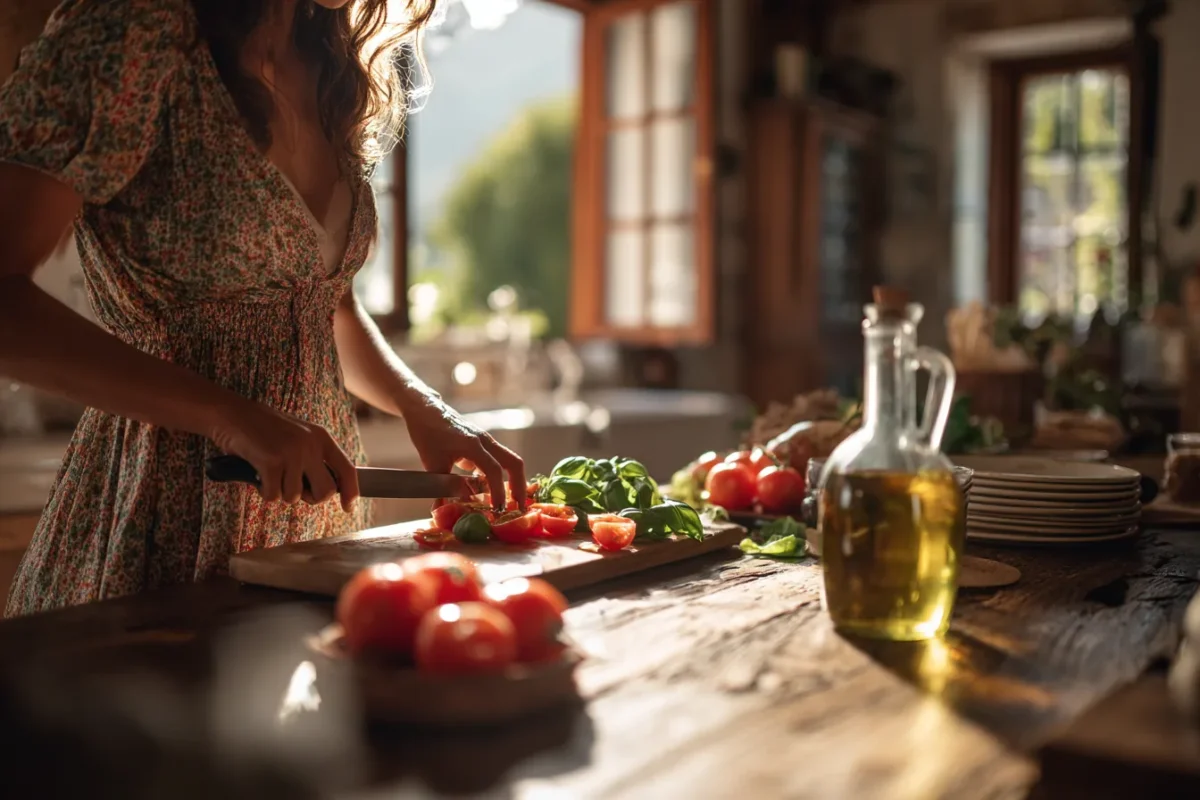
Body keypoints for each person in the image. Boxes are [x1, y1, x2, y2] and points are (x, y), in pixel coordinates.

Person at [0, 0, 525, 617]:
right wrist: (232, 418)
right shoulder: (134, 31)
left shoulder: (334, 64)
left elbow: (324, 305)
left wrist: (421, 405)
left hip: (311, 525)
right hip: (162, 511)